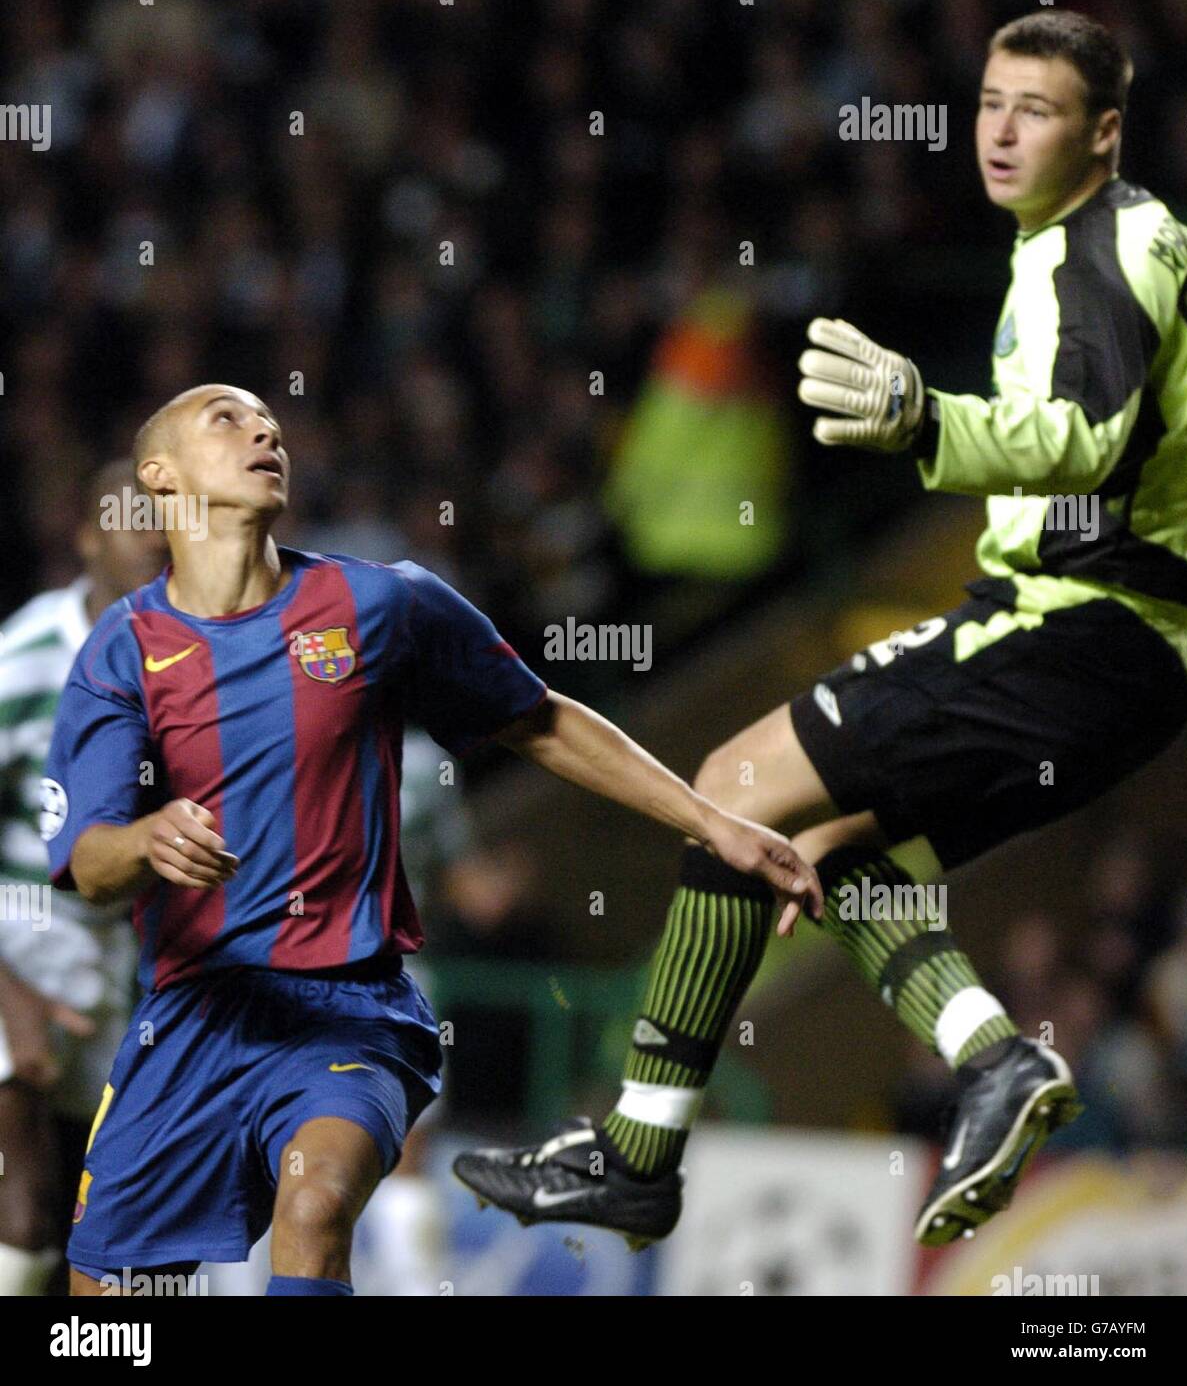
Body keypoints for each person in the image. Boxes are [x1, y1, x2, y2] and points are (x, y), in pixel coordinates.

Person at [453, 9, 1187, 1248]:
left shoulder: (1109, 243)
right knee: (825, 851)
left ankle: (638, 1152)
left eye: (1039, 110)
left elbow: (1090, 435)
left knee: (730, 789)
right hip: (1125, 660)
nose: (1001, 132)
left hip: (1078, 622)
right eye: (990, 104)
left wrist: (925, 422)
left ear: (1104, 133)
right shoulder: (1072, 250)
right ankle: (993, 1059)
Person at [44, 383, 821, 1296]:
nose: (264, 429)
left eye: (271, 421)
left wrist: (712, 820)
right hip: (190, 1019)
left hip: (348, 1011)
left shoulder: (379, 605)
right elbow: (86, 866)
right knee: (103, 1313)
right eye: (227, 417)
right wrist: (146, 841)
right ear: (159, 475)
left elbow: (540, 720)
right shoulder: (121, 650)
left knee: (315, 1202)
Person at [0, 461, 167, 1295]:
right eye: (129, 512)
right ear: (86, 537)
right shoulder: (25, 659)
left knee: (93, 1238)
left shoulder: (191, 666)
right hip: (16, 939)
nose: (151, 527)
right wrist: (15, 998)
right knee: (21, 1220)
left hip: (119, 963)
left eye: (167, 513)